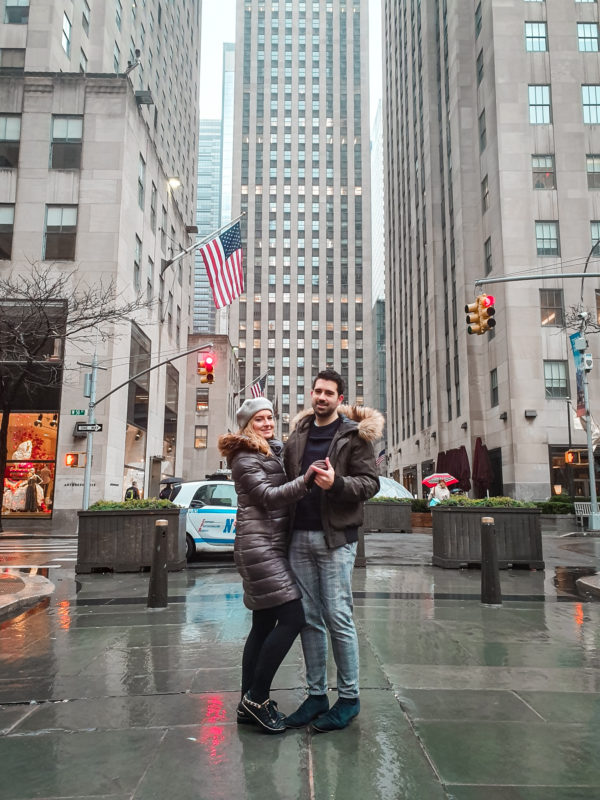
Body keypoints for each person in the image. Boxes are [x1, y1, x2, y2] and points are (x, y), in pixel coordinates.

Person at [283, 369, 384, 732]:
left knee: (338, 617)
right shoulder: (298, 435)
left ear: (340, 399)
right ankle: (315, 696)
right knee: (308, 617)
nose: (321, 397)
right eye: (317, 391)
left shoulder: (354, 436)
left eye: (329, 393)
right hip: (298, 538)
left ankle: (349, 698)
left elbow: (370, 483)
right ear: (311, 394)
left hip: (336, 540)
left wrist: (336, 482)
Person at [218, 397, 326, 734]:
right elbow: (267, 496)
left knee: (263, 624)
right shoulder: (244, 457)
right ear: (248, 424)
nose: (267, 423)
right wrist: (306, 481)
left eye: (270, 418)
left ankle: (245, 704)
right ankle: (257, 697)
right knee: (293, 617)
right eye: (260, 419)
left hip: (271, 545)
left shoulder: (270, 450)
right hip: (259, 547)